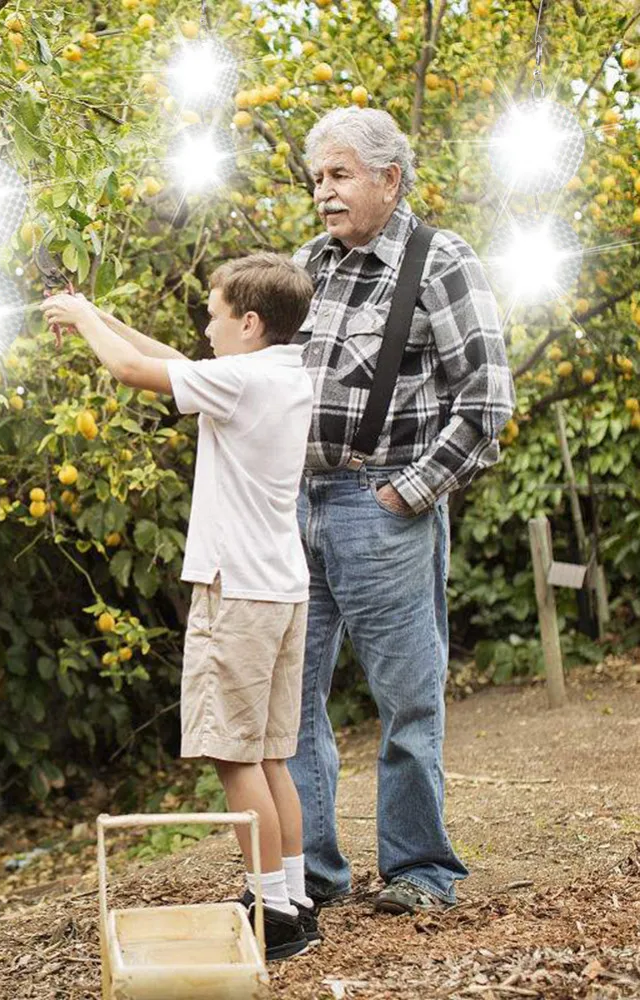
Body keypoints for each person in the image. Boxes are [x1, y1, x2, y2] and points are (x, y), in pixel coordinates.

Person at [41, 253, 320, 960]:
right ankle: (292, 899)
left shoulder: (245, 380)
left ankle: (271, 911)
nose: (205, 324)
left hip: (238, 592)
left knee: (232, 757)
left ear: (249, 323)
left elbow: (136, 373)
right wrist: (97, 314)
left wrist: (77, 320)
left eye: (215, 312)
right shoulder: (280, 371)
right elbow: (168, 360)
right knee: (271, 756)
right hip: (282, 588)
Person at [287, 106, 516, 915]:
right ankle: (308, 872)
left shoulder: (441, 261)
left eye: (340, 174)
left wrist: (405, 492)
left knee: (407, 697)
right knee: (293, 696)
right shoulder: (306, 264)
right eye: (318, 177)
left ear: (390, 179)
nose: (324, 192)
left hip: (381, 506)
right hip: (295, 505)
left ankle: (421, 869)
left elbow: (486, 404)